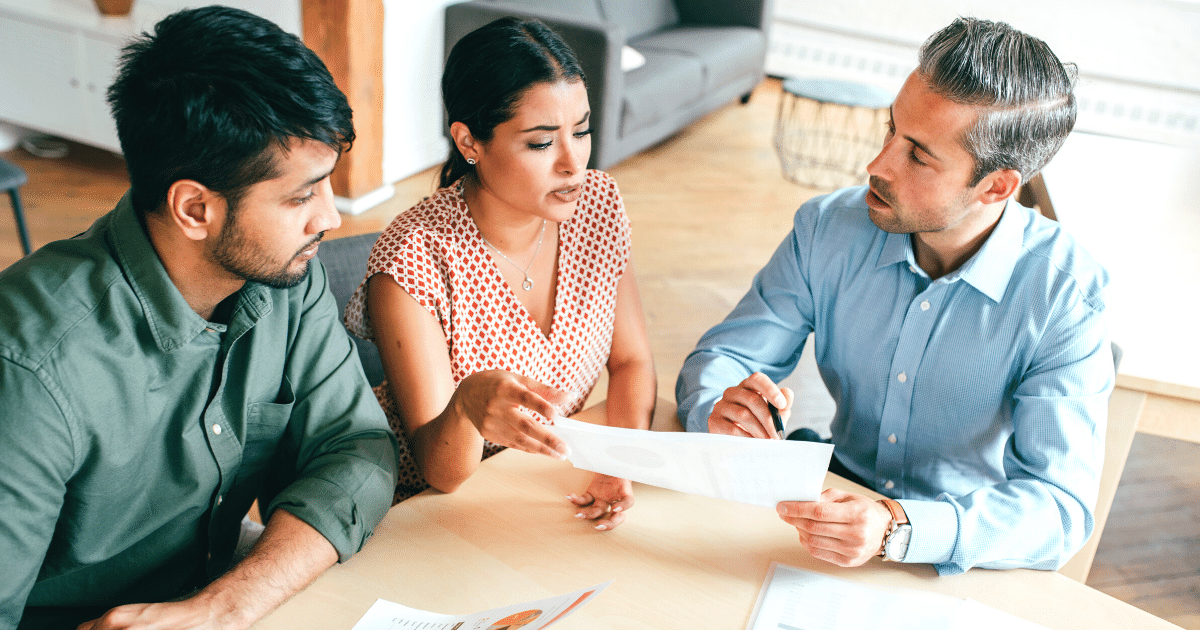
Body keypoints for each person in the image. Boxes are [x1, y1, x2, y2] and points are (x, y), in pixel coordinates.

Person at [0, 7, 398, 628]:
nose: (330, 218)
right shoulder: (32, 368)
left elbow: (355, 449)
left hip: (217, 590)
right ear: (194, 209)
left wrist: (225, 606)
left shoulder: (285, 275)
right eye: (300, 196)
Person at [676, 17, 1113, 575]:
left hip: (956, 554)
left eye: (919, 156)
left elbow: (1058, 507)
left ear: (997, 185)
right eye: (891, 131)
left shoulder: (1065, 297)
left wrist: (899, 528)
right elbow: (724, 359)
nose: (876, 166)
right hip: (818, 510)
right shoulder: (827, 227)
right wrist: (721, 409)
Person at [344, 17, 656, 529]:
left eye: (581, 131)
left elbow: (633, 360)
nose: (572, 163)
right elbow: (439, 472)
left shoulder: (597, 204)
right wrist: (468, 406)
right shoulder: (412, 256)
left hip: (540, 483)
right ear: (470, 142)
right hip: (424, 510)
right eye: (540, 143)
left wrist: (616, 463)